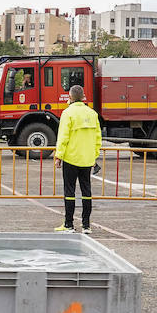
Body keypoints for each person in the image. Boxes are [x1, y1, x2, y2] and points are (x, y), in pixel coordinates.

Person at [52, 84, 102, 233]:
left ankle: (69, 224)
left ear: (70, 97)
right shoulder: (92, 114)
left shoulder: (68, 113)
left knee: (70, 191)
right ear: (83, 97)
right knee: (87, 191)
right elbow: (98, 138)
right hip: (87, 159)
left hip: (71, 158)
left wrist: (58, 156)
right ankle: (86, 225)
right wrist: (94, 155)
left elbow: (63, 137)